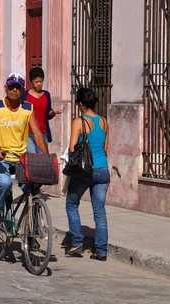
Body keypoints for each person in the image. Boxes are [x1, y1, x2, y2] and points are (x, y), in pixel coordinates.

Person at [0, 72, 48, 227]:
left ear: (22, 90)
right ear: (6, 87)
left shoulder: (27, 108)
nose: (14, 90)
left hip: (20, 157)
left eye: (18, 87)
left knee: (33, 190)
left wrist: (46, 156)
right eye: (12, 86)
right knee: (5, 182)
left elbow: (38, 133)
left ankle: (32, 232)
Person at [65, 87, 110, 261]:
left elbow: (72, 148)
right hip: (103, 170)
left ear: (81, 104)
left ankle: (77, 243)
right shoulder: (104, 122)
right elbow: (105, 149)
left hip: (86, 171)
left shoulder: (79, 122)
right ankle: (101, 251)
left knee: (71, 203)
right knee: (99, 211)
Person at [22, 67, 62, 153]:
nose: (39, 84)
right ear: (31, 81)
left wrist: (53, 112)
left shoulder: (46, 95)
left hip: (43, 133)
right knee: (32, 158)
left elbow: (48, 114)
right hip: (28, 134)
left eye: (41, 81)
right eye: (36, 82)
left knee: (42, 159)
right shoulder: (25, 95)